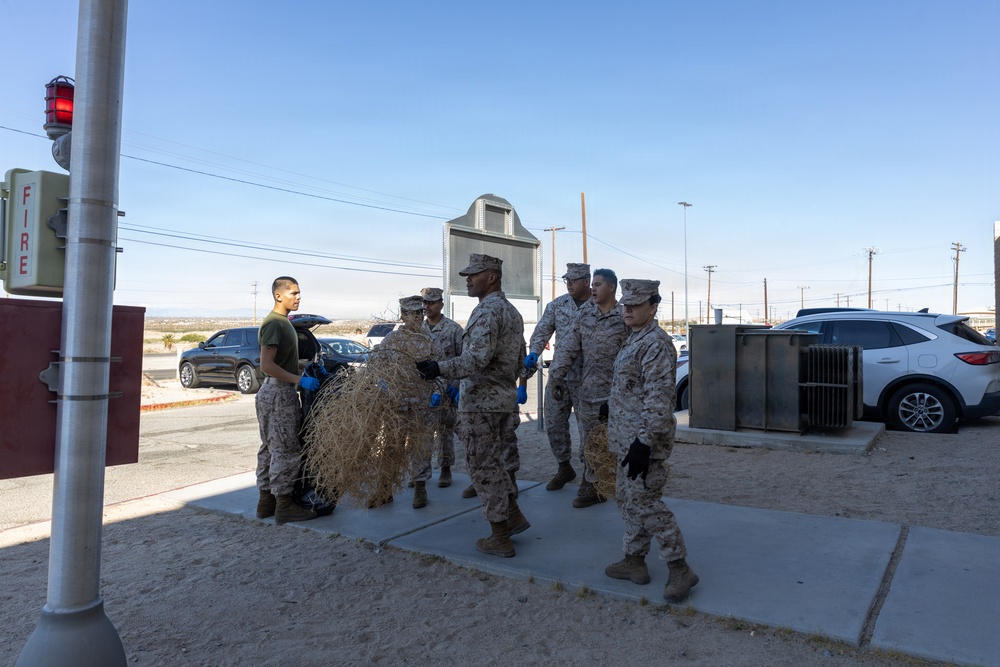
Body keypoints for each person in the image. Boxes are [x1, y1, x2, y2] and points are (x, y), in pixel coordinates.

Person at [416, 253, 528, 558]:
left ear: (491, 277)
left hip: (481, 403)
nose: (468, 279)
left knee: (483, 466)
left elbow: (476, 359)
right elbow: (519, 360)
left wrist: (438, 368)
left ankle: (499, 535)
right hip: (502, 400)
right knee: (496, 462)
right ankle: (513, 515)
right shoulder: (512, 312)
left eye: (473, 274)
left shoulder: (487, 312)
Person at [603, 278, 697, 603]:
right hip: (626, 440)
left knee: (645, 503)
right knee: (627, 500)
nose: (626, 309)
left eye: (635, 304)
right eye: (624, 303)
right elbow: (634, 387)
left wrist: (643, 443)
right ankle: (634, 561)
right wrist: (611, 403)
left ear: (653, 306)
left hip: (643, 444)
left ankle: (679, 566)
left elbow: (659, 400)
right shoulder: (635, 339)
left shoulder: (655, 343)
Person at [548, 268, 630, 508]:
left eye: (598, 284)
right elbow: (569, 347)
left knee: (620, 441)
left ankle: (621, 484)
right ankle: (594, 485)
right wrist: (556, 377)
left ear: (612, 287)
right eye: (592, 284)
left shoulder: (624, 315)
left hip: (620, 393)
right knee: (591, 441)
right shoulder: (585, 315)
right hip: (590, 392)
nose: (593, 288)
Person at [255, 276, 321, 525]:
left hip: (275, 391)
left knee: (270, 447)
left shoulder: (284, 323)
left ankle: (266, 502)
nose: (298, 297)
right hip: (278, 393)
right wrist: (298, 380)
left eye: (299, 293)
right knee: (285, 448)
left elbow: (280, 361)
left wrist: (305, 367)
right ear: (278, 295)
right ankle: (284, 505)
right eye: (293, 293)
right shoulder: (275, 324)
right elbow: (267, 365)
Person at [526, 262, 592, 491]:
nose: (569, 284)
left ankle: (590, 475)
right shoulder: (557, 305)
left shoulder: (599, 304)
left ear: (587, 281)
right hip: (559, 377)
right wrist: (534, 352)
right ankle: (564, 466)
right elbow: (542, 331)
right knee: (554, 423)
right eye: (567, 280)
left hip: (588, 378)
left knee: (589, 429)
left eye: (574, 280)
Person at [377, 295, 447, 509]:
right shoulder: (392, 340)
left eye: (419, 313)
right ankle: (385, 489)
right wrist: (383, 386)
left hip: (424, 403)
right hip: (397, 403)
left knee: (422, 446)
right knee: (391, 446)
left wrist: (439, 391)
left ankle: (420, 487)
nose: (416, 317)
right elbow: (377, 366)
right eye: (411, 313)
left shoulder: (430, 341)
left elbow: (442, 369)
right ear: (403, 315)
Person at [420, 287, 463, 488]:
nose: (427, 306)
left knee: (445, 431)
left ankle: (445, 469)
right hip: (423, 389)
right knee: (422, 433)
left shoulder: (453, 329)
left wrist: (456, 385)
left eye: (431, 302)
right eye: (425, 303)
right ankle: (420, 474)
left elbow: (464, 360)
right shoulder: (418, 330)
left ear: (441, 304)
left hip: (446, 388)